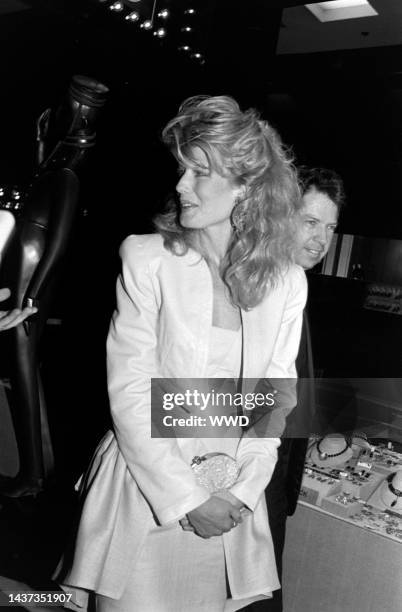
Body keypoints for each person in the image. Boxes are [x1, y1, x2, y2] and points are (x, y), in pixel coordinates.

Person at [56, 95, 307, 612]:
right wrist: (189, 501)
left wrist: (241, 492)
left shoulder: (286, 282)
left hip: (230, 500)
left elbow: (275, 399)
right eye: (181, 170)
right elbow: (130, 393)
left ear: (246, 188)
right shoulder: (147, 260)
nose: (180, 186)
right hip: (149, 492)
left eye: (199, 173)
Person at [245, 166, 345, 612]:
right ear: (281, 213)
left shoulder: (292, 284)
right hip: (247, 477)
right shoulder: (257, 281)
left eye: (330, 227)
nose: (322, 239)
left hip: (271, 478)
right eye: (311, 222)